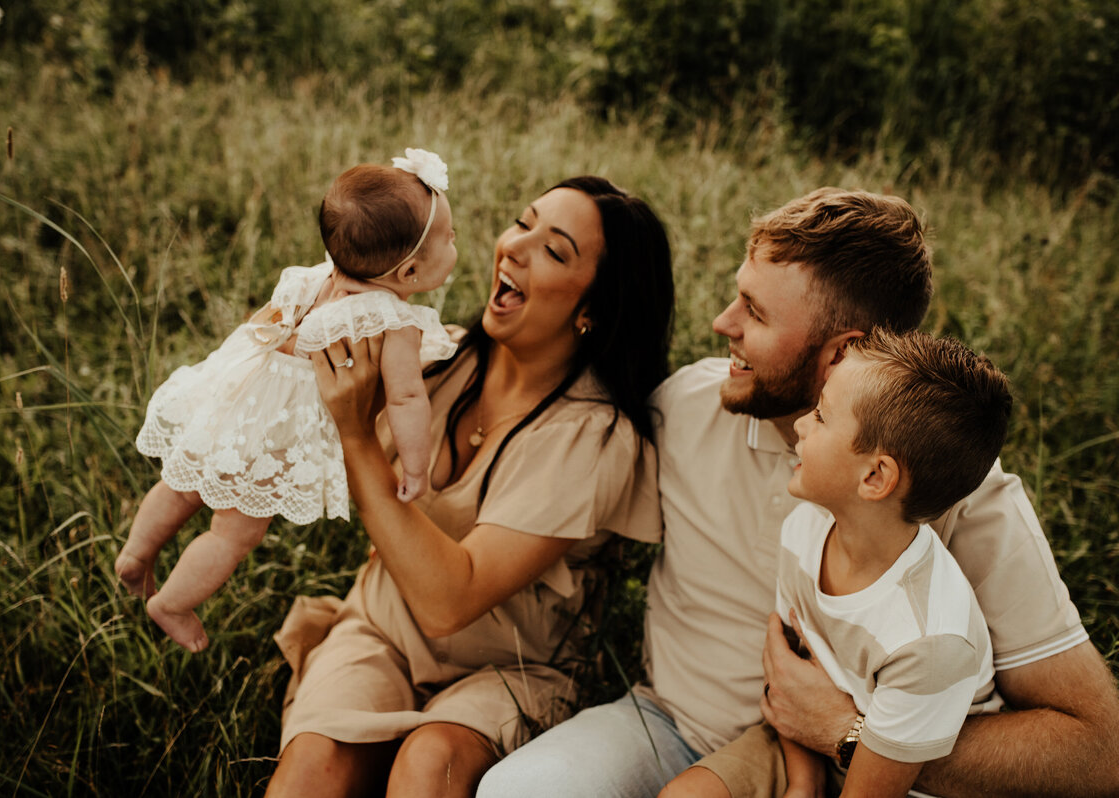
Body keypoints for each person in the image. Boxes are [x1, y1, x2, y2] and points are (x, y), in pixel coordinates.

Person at [478, 188, 1119, 797]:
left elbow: (1098, 754)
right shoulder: (686, 407)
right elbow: (543, 443)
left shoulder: (956, 490)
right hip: (668, 730)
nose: (721, 322)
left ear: (845, 355)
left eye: (755, 312)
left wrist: (848, 734)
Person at [263, 175, 676, 797]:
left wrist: (357, 438)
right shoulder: (434, 357)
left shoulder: (592, 437)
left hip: (514, 667)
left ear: (593, 309)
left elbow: (450, 601)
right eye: (523, 222)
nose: (514, 246)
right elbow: (276, 356)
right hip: (383, 628)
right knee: (313, 765)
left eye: (555, 250)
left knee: (431, 762)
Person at [116, 149, 460, 652]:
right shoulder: (393, 320)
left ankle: (134, 554)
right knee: (233, 534)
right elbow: (407, 398)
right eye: (449, 238)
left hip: (237, 392)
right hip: (276, 426)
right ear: (408, 275)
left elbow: (263, 325)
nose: (455, 243)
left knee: (181, 483)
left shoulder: (310, 277)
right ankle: (171, 603)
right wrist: (414, 468)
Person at [676, 328, 1012, 798]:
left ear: (875, 476)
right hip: (805, 745)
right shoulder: (806, 528)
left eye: (820, 416)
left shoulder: (930, 641)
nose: (800, 426)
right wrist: (801, 784)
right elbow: (790, 676)